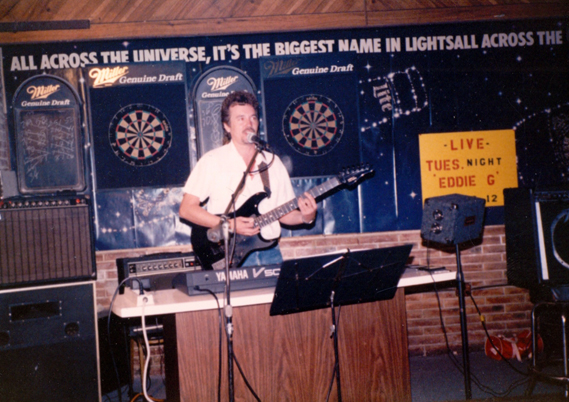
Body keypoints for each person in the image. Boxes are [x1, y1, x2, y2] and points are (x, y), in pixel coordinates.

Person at [179, 90, 317, 268]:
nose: (249, 124)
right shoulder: (212, 161)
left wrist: (306, 217)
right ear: (227, 126)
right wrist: (228, 224)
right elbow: (186, 209)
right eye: (241, 118)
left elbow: (285, 214)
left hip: (270, 253)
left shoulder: (272, 162)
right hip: (229, 253)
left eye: (253, 118)